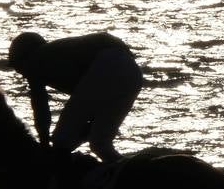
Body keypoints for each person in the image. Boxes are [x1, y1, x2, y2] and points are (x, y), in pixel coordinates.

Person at [7, 30, 143, 163]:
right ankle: (131, 174)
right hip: (132, 70)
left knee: (61, 140)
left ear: (24, 57)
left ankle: (61, 184)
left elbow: (40, 105)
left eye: (17, 66)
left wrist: (44, 143)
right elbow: (94, 99)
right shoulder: (58, 56)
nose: (22, 74)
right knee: (99, 144)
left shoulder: (35, 59)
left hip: (108, 61)